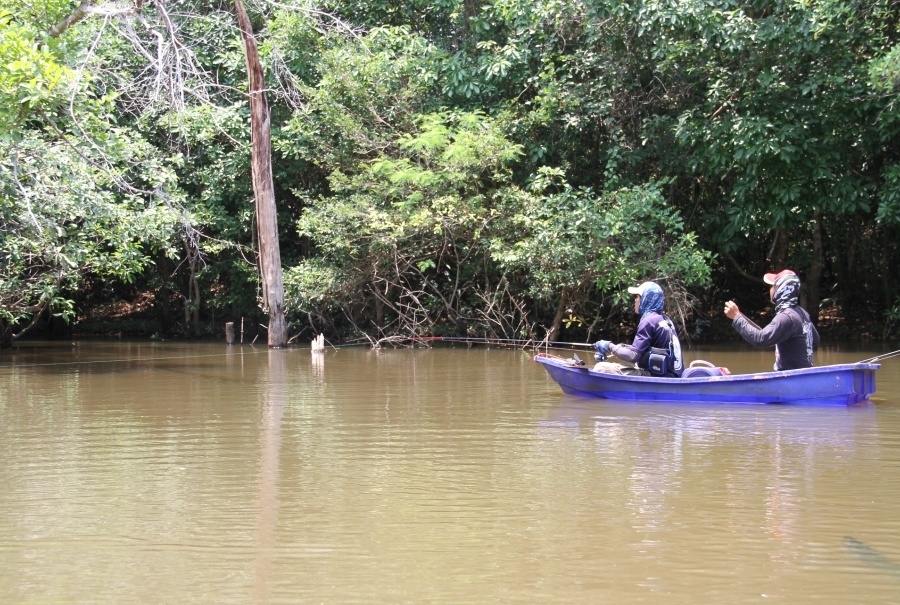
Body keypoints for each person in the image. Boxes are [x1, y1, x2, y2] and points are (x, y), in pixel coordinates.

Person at [723, 269, 819, 370]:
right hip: (803, 376)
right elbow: (815, 341)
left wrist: (736, 318)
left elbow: (760, 339)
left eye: (773, 286)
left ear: (781, 289)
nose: (770, 289)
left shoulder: (786, 317)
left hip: (789, 380)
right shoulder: (802, 313)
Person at [592, 281, 684, 377]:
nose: (635, 300)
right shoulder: (664, 319)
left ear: (646, 298)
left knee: (601, 367)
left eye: (637, 297)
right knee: (630, 365)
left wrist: (609, 346)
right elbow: (641, 350)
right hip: (673, 375)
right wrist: (620, 347)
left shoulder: (649, 320)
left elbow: (632, 356)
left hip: (661, 378)